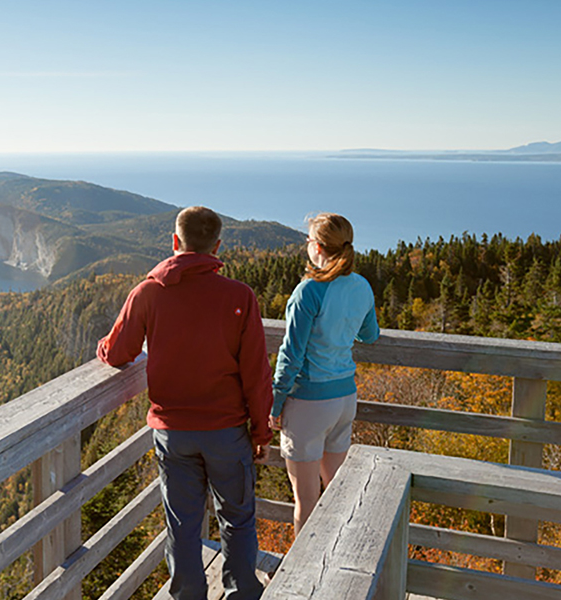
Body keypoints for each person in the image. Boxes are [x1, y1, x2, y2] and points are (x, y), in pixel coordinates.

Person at [97, 206, 272, 600]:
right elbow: (256, 373)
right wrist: (261, 431)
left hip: (173, 432)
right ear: (217, 248)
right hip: (228, 432)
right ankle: (243, 593)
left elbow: (119, 351)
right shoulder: (239, 296)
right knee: (238, 520)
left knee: (182, 525)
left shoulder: (147, 293)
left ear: (175, 242)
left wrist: (103, 349)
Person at [270, 212, 379, 534]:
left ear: (317, 247)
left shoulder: (309, 291)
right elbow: (370, 335)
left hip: (309, 404)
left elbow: (291, 356)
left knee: (306, 500)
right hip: (345, 398)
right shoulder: (361, 285)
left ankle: (303, 579)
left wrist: (274, 405)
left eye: (307, 241)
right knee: (337, 493)